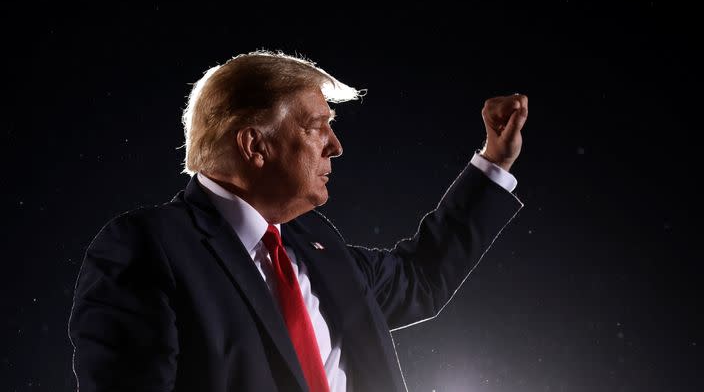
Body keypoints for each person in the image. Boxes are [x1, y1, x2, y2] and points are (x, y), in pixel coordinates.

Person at [68, 50, 528, 391]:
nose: (335, 145)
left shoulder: (315, 242)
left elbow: (419, 277)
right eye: (315, 126)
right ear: (254, 145)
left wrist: (493, 163)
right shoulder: (148, 248)